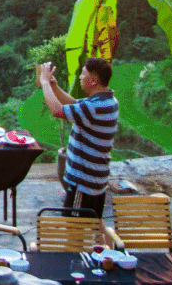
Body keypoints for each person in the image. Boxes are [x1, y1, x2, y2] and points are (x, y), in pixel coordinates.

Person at [37, 57, 119, 226]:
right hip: (93, 184)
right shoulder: (106, 101)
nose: (80, 77)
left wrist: (44, 83)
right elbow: (74, 103)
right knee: (93, 229)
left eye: (83, 74)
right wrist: (54, 86)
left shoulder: (94, 107)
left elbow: (57, 111)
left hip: (83, 187)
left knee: (74, 234)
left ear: (93, 80)